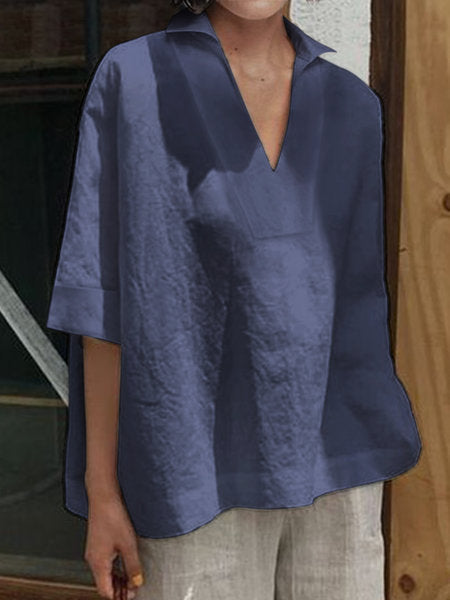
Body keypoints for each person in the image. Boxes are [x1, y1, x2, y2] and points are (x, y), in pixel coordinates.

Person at [46, 0, 422, 598]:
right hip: (186, 469)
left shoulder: (352, 105)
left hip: (339, 461)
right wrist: (103, 491)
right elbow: (101, 300)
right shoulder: (134, 79)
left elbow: (354, 305)